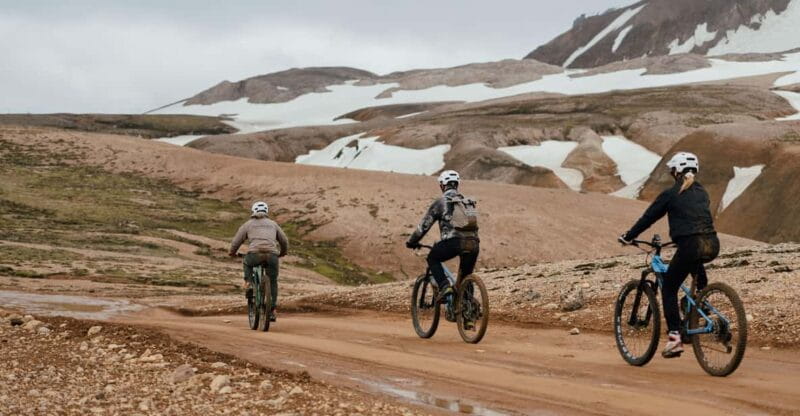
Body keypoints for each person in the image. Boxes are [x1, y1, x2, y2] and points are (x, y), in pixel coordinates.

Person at [619, 152, 720, 358]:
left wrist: (629, 236)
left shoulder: (671, 193)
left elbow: (648, 217)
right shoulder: (702, 191)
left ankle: (675, 339)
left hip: (690, 245)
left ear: (676, 171)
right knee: (695, 266)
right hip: (712, 244)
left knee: (669, 289)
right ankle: (699, 304)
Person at [406, 170, 480, 312]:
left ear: (442, 185)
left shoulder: (441, 202)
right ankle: (468, 312)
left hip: (454, 242)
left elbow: (424, 226)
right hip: (474, 243)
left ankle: (445, 286)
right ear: (457, 184)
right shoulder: (467, 202)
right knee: (465, 277)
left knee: (433, 257)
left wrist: (412, 241)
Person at [229, 201, 289, 322]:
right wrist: (282, 253)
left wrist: (232, 252)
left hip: (254, 254)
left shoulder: (248, 224)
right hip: (272, 255)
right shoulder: (273, 224)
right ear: (266, 211)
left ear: (253, 211)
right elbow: (284, 241)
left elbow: (236, 241)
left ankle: (249, 283)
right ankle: (272, 310)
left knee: (247, 262)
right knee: (272, 281)